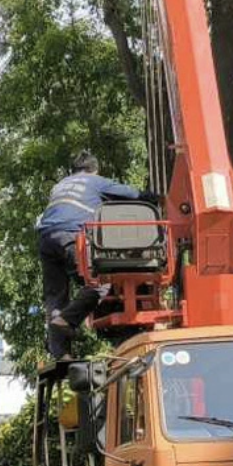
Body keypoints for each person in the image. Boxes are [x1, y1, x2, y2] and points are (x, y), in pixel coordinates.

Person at [37, 148, 138, 364]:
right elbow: (132, 194)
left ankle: (61, 354)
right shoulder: (95, 181)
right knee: (101, 283)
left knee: (55, 296)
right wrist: (157, 197)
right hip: (73, 235)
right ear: (94, 169)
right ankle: (67, 319)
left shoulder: (59, 185)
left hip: (46, 237)